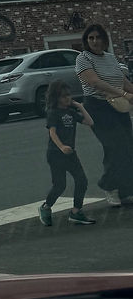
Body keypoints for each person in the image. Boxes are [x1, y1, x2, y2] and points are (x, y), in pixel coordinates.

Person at [74, 23, 133, 207]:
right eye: (90, 38)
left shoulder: (110, 58)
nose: (94, 41)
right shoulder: (83, 59)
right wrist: (123, 94)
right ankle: (109, 186)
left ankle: (126, 191)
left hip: (118, 107)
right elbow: (94, 82)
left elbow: (122, 81)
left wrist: (129, 93)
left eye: (98, 37)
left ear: (104, 40)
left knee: (128, 147)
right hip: (97, 107)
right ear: (86, 41)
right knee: (115, 146)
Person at [38, 81, 94, 226]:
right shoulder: (53, 113)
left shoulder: (71, 112)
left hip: (70, 154)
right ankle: (46, 207)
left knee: (82, 180)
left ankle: (76, 212)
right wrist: (61, 146)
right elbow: (52, 132)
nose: (67, 99)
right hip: (56, 154)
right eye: (63, 96)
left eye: (69, 95)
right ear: (56, 98)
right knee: (60, 185)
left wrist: (80, 107)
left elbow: (89, 122)